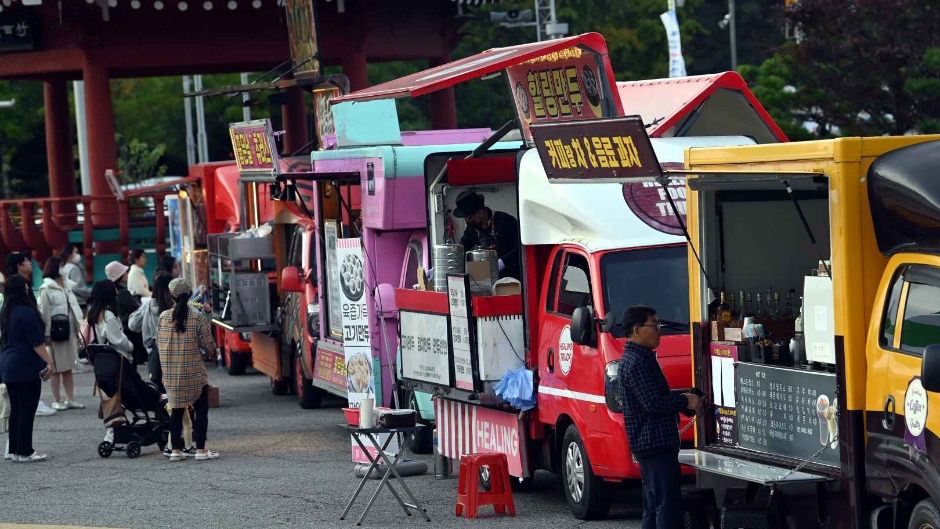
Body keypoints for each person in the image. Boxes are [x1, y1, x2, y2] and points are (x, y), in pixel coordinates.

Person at [619, 305, 703, 529]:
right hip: (654, 444)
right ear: (637, 330)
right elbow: (653, 403)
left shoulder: (639, 358)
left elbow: (655, 396)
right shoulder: (637, 362)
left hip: (651, 444)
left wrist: (682, 397)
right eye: (654, 325)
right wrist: (686, 401)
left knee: (654, 504)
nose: (659, 330)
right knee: (668, 505)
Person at [130, 272, 195, 457]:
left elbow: (132, 324)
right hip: (177, 357)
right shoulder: (178, 308)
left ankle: (168, 436)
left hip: (154, 357)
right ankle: (183, 438)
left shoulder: (149, 306)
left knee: (164, 398)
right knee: (181, 399)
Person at [157, 278, 219, 462]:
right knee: (201, 411)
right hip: (194, 374)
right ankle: (200, 450)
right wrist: (212, 354)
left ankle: (175, 450)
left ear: (172, 296)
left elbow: (158, 343)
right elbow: (209, 346)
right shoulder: (196, 317)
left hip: (171, 375)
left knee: (176, 411)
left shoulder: (163, 317)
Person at [0, 274, 54, 462]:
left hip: (8, 364)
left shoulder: (6, 312)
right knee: (27, 409)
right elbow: (37, 343)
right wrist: (49, 362)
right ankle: (25, 451)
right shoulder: (27, 312)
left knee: (16, 409)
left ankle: (14, 450)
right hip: (25, 365)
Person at [4, 252, 58, 418]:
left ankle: (16, 445)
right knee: (24, 412)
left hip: (10, 359)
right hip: (24, 359)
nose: (29, 263)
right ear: (18, 266)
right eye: (26, 261)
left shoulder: (8, 307)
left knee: (17, 414)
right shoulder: (23, 306)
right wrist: (48, 361)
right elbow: (35, 340)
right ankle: (21, 445)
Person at [85, 280, 135, 445]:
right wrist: (131, 346)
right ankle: (112, 432)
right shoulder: (108, 316)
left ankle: (112, 431)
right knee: (121, 394)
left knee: (110, 396)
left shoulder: (93, 314)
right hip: (117, 361)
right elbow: (118, 340)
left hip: (101, 362)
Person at [38, 258, 85, 411]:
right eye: (62, 266)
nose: (64, 268)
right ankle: (56, 400)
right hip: (55, 332)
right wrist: (46, 334)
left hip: (69, 331)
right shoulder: (46, 288)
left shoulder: (66, 286)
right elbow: (45, 313)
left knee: (68, 366)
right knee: (56, 367)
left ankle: (70, 399)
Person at [453, 190, 521, 280]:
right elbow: (460, 248)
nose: (466, 221)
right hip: (489, 279)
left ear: (480, 212)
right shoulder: (472, 228)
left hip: (512, 278)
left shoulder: (505, 221)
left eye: (468, 217)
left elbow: (520, 247)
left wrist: (502, 262)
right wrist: (442, 265)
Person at [106, 261, 146, 365]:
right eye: (125, 272)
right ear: (120, 275)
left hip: (118, 331)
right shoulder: (123, 293)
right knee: (132, 364)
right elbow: (138, 309)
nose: (127, 274)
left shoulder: (111, 292)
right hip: (129, 331)